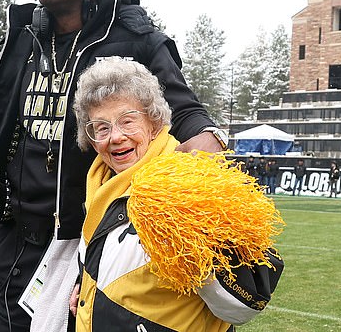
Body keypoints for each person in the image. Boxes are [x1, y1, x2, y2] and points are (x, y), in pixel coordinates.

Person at [0, 0, 228, 332]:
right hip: (20, 233)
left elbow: (186, 113)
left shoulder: (135, 37)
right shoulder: (24, 37)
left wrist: (208, 149)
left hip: (88, 234)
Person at [64, 58, 283, 331]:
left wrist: (195, 253)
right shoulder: (101, 184)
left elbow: (241, 307)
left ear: (154, 123)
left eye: (127, 121)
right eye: (102, 127)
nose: (116, 136)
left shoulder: (187, 183)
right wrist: (85, 288)